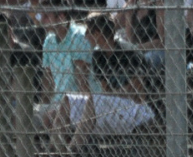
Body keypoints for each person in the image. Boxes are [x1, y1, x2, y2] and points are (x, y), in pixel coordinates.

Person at [0, 0, 91, 151]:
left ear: (62, 15)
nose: (41, 20)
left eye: (46, 16)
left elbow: (82, 81)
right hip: (49, 105)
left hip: (72, 104)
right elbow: (47, 81)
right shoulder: (49, 40)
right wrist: (46, 106)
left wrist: (66, 107)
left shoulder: (78, 37)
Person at [51, 12, 153, 150]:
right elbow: (107, 91)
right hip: (115, 104)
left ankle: (71, 152)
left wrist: (112, 94)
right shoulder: (99, 55)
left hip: (137, 110)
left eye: (88, 31)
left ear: (97, 33)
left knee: (94, 100)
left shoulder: (128, 52)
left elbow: (137, 93)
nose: (86, 35)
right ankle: (56, 151)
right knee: (67, 99)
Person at [123, 0, 164, 66]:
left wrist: (137, 48)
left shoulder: (159, 1)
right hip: (137, 51)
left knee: (145, 60)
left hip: (157, 51)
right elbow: (130, 40)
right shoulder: (132, 3)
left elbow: (162, 41)